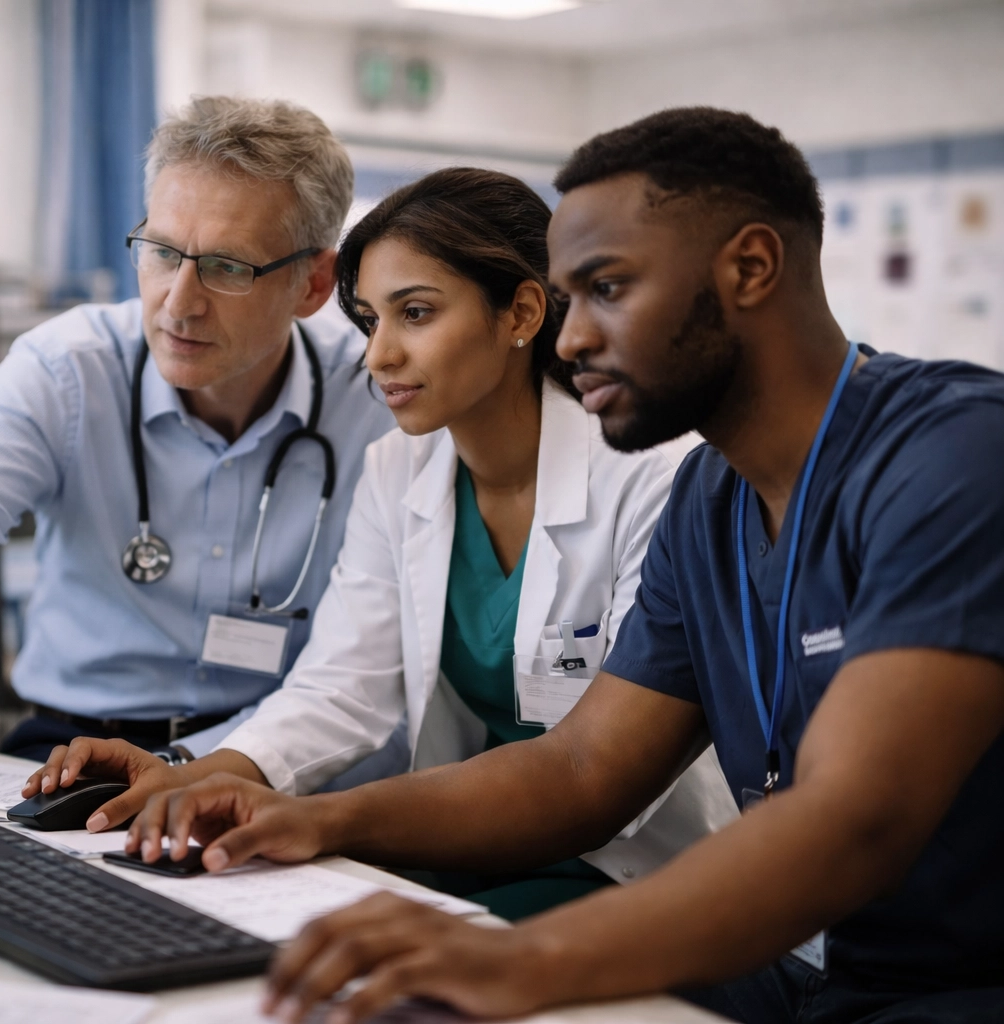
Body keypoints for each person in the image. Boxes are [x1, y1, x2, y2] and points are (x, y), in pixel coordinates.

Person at [121, 108, 1004, 1024]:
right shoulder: (713, 498)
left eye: (608, 289)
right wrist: (317, 818)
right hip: (797, 963)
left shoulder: (956, 454)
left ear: (749, 269)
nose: (573, 340)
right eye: (570, 297)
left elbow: (857, 819)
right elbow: (583, 767)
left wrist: (524, 957)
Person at [24, 167, 735, 920]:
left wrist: (327, 818)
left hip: (632, 869)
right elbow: (343, 684)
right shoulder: (399, 467)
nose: (378, 355)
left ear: (522, 310)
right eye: (369, 320)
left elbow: (597, 774)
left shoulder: (654, 478)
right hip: (474, 845)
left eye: (416, 314)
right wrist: (195, 774)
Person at [0, 97, 394, 762]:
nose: (179, 303)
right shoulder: (72, 366)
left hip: (282, 753)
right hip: (76, 751)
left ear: (314, 284)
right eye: (161, 252)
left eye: (227, 267)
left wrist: (196, 772)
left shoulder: (375, 401)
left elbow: (371, 673)